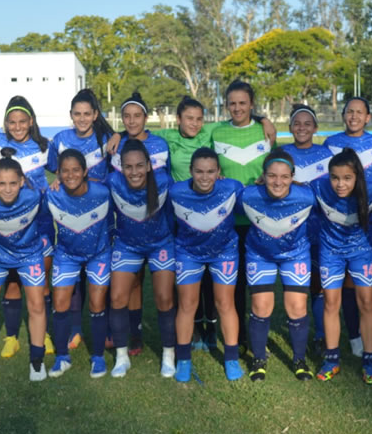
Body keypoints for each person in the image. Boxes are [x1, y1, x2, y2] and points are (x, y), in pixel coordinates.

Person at [107, 95, 275, 351]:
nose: (194, 124)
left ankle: (217, 328)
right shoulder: (168, 138)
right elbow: (137, 128)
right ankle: (193, 328)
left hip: (217, 212)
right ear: (178, 120)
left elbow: (237, 118)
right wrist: (120, 134)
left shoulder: (210, 133)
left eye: (198, 119)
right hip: (179, 216)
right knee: (188, 278)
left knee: (217, 278)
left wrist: (262, 118)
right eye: (188, 118)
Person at [0, 96, 55, 359]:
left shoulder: (45, 146)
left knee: (42, 282)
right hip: (7, 227)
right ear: (5, 123)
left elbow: (67, 169)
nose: (17, 126)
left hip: (41, 223)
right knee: (12, 282)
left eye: (22, 121)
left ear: (31, 121)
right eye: (12, 122)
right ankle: (11, 337)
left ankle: (44, 333)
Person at [0, 149, 48, 383]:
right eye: (1, 183)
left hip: (29, 256)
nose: (7, 189)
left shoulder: (34, 194)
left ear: (22, 181)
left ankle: (37, 359)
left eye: (13, 183)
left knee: (36, 305)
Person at [48, 89, 116, 351]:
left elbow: (115, 171)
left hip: (100, 213)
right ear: (71, 115)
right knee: (73, 276)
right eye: (77, 114)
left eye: (87, 113)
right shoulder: (61, 139)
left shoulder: (107, 138)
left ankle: (105, 326)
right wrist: (59, 179)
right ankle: (75, 329)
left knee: (99, 272)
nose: (82, 118)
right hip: (71, 211)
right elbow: (57, 170)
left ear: (96, 114)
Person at [170, 147, 245, 381]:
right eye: (199, 171)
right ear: (190, 171)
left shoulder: (232, 187)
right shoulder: (175, 192)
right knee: (187, 304)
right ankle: (183, 359)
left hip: (224, 252)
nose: (205, 177)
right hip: (188, 252)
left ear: (219, 172)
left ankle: (231, 358)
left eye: (211, 171)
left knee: (225, 303)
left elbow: (259, 197)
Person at [240, 149, 315, 381]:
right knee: (261, 308)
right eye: (272, 176)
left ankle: (299, 360)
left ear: (293, 176)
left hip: (295, 255)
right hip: (260, 255)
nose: (278, 182)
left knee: (297, 308)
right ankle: (259, 358)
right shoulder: (248, 195)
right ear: (263, 176)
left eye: (284, 176)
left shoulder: (307, 196)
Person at [211, 80, 273, 355]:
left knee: (255, 280)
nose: (237, 108)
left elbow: (276, 166)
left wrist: (265, 119)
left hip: (259, 220)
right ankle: (236, 336)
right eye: (232, 103)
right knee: (231, 281)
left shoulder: (264, 130)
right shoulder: (216, 131)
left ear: (251, 105)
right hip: (226, 221)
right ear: (226, 106)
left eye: (242, 103)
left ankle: (255, 332)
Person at [107, 139, 176, 378]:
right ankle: (121, 356)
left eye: (139, 166)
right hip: (127, 245)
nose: (134, 172)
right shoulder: (113, 182)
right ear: (121, 168)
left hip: (161, 245)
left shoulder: (165, 181)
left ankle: (168, 355)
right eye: (128, 166)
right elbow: (88, 187)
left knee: (165, 298)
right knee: (117, 298)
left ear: (148, 165)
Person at [322, 97, 372, 357]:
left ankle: (370, 334)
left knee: (368, 285)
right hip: (338, 222)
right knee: (344, 285)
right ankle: (353, 334)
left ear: (368, 117)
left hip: (371, 223)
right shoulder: (330, 143)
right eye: (349, 111)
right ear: (343, 115)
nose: (354, 116)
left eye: (360, 112)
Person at [310, 149, 372, 384]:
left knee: (367, 303)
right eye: (335, 177)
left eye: (347, 178)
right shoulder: (318, 187)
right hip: (330, 253)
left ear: (357, 176)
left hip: (361, 252)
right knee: (331, 303)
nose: (340, 184)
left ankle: (369, 360)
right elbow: (294, 188)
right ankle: (332, 359)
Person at [46, 149, 113, 378]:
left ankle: (98, 357)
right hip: (66, 255)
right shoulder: (51, 194)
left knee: (97, 303)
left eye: (76, 170)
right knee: (60, 302)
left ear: (85, 171)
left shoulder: (103, 192)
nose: (71, 175)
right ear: (58, 173)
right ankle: (62, 357)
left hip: (99, 254)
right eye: (65, 171)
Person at [281, 104, 334, 355]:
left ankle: (322, 335)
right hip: (291, 229)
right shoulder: (281, 153)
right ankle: (298, 327)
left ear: (315, 127)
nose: (301, 128)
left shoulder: (327, 154)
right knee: (297, 284)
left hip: (320, 227)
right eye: (297, 123)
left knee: (319, 283)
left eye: (307, 123)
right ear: (290, 127)